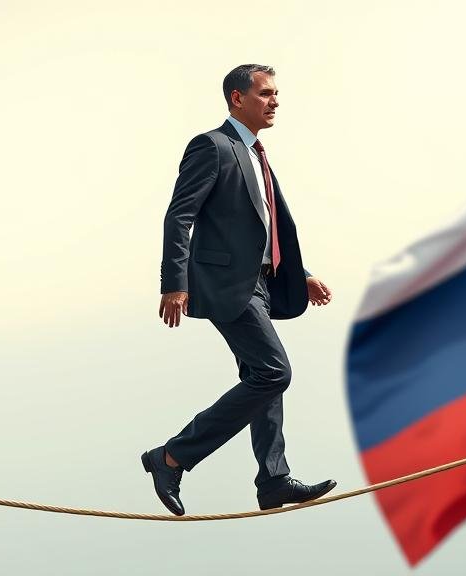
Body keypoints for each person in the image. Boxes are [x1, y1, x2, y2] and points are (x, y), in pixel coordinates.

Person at [142, 64, 335, 515]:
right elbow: (179, 216)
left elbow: (262, 226)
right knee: (274, 372)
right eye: (265, 93)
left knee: (261, 376)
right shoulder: (211, 146)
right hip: (228, 284)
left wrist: (299, 274)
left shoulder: (256, 154)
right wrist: (174, 283)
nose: (275, 101)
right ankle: (171, 457)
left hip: (263, 283)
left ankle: (273, 480)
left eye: (276, 93)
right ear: (237, 98)